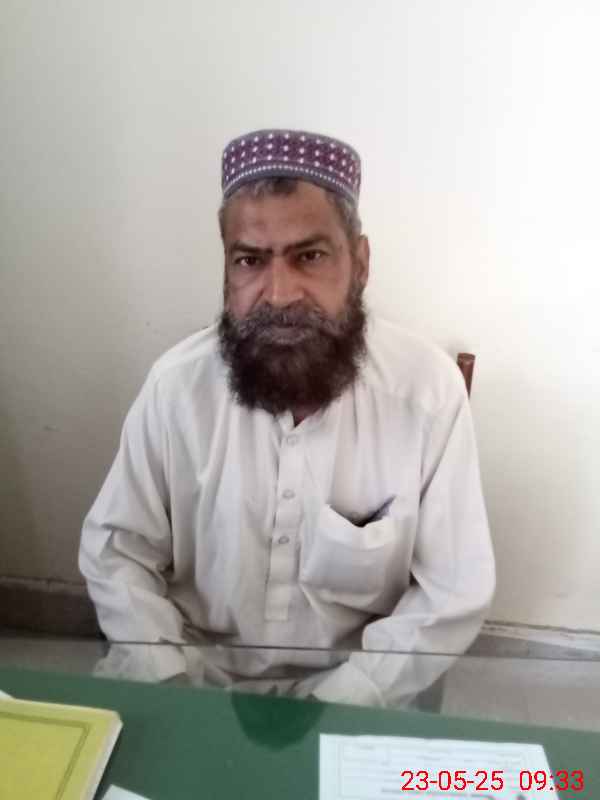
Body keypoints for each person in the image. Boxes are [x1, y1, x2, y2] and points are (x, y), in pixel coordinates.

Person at [79, 128, 495, 707]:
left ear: (360, 263)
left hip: (357, 690)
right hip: (191, 679)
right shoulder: (177, 387)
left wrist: (348, 697)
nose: (278, 294)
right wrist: (168, 681)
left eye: (310, 256)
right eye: (250, 260)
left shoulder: (426, 394)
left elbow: (452, 589)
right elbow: (118, 551)